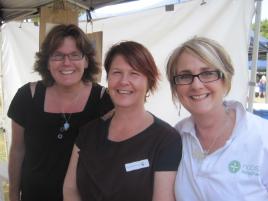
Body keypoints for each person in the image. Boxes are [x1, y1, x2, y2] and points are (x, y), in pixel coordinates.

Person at [63, 41, 182, 201]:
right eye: (117, 72)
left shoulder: (166, 139)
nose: (124, 81)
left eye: (134, 73)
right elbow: (70, 189)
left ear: (149, 82)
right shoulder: (88, 132)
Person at [7, 24, 114, 201]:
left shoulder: (104, 100)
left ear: (86, 61)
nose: (66, 63)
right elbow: (18, 150)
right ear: (47, 62)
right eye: (58, 55)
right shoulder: (27, 96)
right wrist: (13, 195)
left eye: (75, 55)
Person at [166, 37, 268, 201]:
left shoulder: (262, 137)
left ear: (225, 78)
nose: (196, 85)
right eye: (184, 76)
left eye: (207, 73)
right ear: (175, 88)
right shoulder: (176, 137)